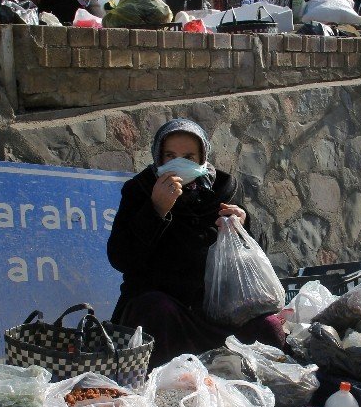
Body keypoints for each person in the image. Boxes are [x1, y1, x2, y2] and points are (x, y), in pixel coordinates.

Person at [107, 119, 285, 366]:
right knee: (156, 309)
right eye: (170, 156)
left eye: (189, 156)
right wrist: (156, 210)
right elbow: (121, 257)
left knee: (267, 328)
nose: (179, 163)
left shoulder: (224, 189)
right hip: (164, 314)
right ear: (158, 157)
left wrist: (244, 224)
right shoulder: (140, 189)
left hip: (215, 313)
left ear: (203, 157)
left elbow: (255, 253)